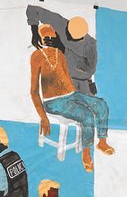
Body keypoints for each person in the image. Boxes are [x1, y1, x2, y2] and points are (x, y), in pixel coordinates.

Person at [29, 23, 113, 172]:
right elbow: (34, 91)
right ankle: (86, 154)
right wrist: (43, 117)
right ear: (41, 40)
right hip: (53, 102)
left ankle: (102, 141)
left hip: (72, 94)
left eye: (51, 37)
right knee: (86, 116)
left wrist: (84, 94)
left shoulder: (60, 55)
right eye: (46, 38)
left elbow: (68, 79)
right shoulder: (37, 56)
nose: (49, 40)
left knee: (101, 104)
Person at [26, 6, 98, 94]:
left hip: (82, 85)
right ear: (67, 27)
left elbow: (89, 71)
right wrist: (34, 30)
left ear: (83, 37)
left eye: (75, 39)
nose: (69, 38)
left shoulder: (90, 46)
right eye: (68, 34)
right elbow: (32, 9)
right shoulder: (60, 24)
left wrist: (64, 49)